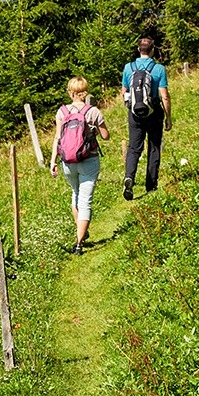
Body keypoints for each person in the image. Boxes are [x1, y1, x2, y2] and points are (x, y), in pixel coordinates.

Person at [50, 76, 110, 255]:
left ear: (70, 92)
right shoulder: (93, 111)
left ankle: (80, 231)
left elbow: (57, 138)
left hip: (67, 161)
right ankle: (78, 243)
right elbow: (106, 136)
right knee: (86, 201)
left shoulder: (61, 112)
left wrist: (53, 161)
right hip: (88, 160)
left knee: (75, 194)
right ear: (85, 92)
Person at [120, 36, 171, 200]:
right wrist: (168, 117)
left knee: (134, 148)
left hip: (135, 113)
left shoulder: (128, 67)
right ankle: (151, 185)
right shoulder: (159, 69)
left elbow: (124, 92)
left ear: (138, 50)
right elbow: (164, 96)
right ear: (153, 50)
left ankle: (129, 177)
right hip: (154, 111)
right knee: (154, 147)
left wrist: (130, 106)